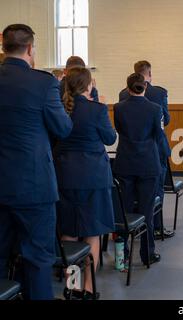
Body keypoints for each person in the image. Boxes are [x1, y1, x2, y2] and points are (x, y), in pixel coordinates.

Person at [0, 24, 73, 300]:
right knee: (37, 258)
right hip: (34, 186)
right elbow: (63, 129)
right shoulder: (43, 83)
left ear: (4, 48)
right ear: (30, 49)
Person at [54, 67, 116, 300]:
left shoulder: (60, 110)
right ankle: (88, 289)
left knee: (68, 232)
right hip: (93, 178)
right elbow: (110, 138)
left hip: (64, 176)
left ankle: (72, 285)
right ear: (88, 85)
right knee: (92, 232)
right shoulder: (97, 110)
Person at [113, 73, 164, 265]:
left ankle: (122, 254)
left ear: (127, 88)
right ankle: (147, 254)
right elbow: (158, 136)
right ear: (145, 86)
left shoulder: (118, 108)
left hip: (125, 163)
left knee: (124, 211)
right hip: (148, 164)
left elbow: (120, 130)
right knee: (147, 211)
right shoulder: (155, 109)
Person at [119, 61, 173, 239]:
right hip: (152, 154)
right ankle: (155, 228)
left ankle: (129, 235)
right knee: (154, 193)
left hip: (127, 155)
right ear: (148, 75)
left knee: (127, 198)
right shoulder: (159, 94)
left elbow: (120, 128)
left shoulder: (122, 96)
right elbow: (165, 121)